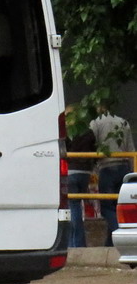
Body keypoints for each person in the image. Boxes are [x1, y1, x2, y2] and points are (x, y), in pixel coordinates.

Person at [90, 105, 135, 247]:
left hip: (106, 168)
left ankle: (119, 233)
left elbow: (92, 145)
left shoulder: (95, 123)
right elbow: (131, 149)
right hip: (124, 167)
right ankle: (109, 244)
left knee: (106, 207)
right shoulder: (123, 122)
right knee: (118, 206)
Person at [65, 106, 96, 248]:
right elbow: (94, 150)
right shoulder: (88, 132)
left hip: (70, 171)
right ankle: (78, 243)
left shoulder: (67, 132)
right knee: (78, 205)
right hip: (85, 173)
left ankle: (75, 244)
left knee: (73, 206)